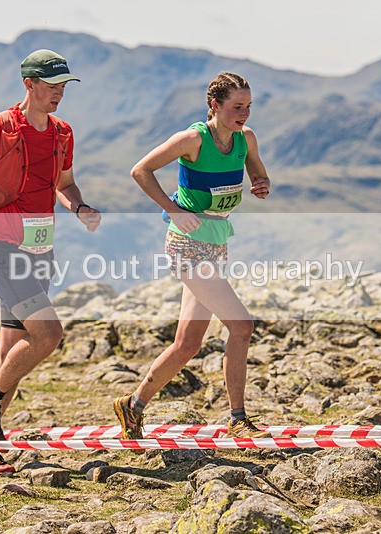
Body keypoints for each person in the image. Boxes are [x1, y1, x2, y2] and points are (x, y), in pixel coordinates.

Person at [0, 49, 101, 475]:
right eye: (52, 86)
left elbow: (65, 184)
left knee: (11, 353)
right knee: (47, 335)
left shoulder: (63, 132)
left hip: (41, 250)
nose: (60, 93)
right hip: (2, 249)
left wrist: (80, 207)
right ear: (29, 84)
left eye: (64, 86)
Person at [113, 72, 272, 440]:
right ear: (214, 106)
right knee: (241, 326)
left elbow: (258, 174)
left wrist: (261, 184)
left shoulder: (245, 139)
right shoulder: (192, 139)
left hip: (216, 241)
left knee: (187, 344)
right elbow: (141, 170)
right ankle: (237, 418)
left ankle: (132, 405)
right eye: (237, 107)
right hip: (186, 246)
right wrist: (173, 208)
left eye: (248, 106)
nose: (244, 114)